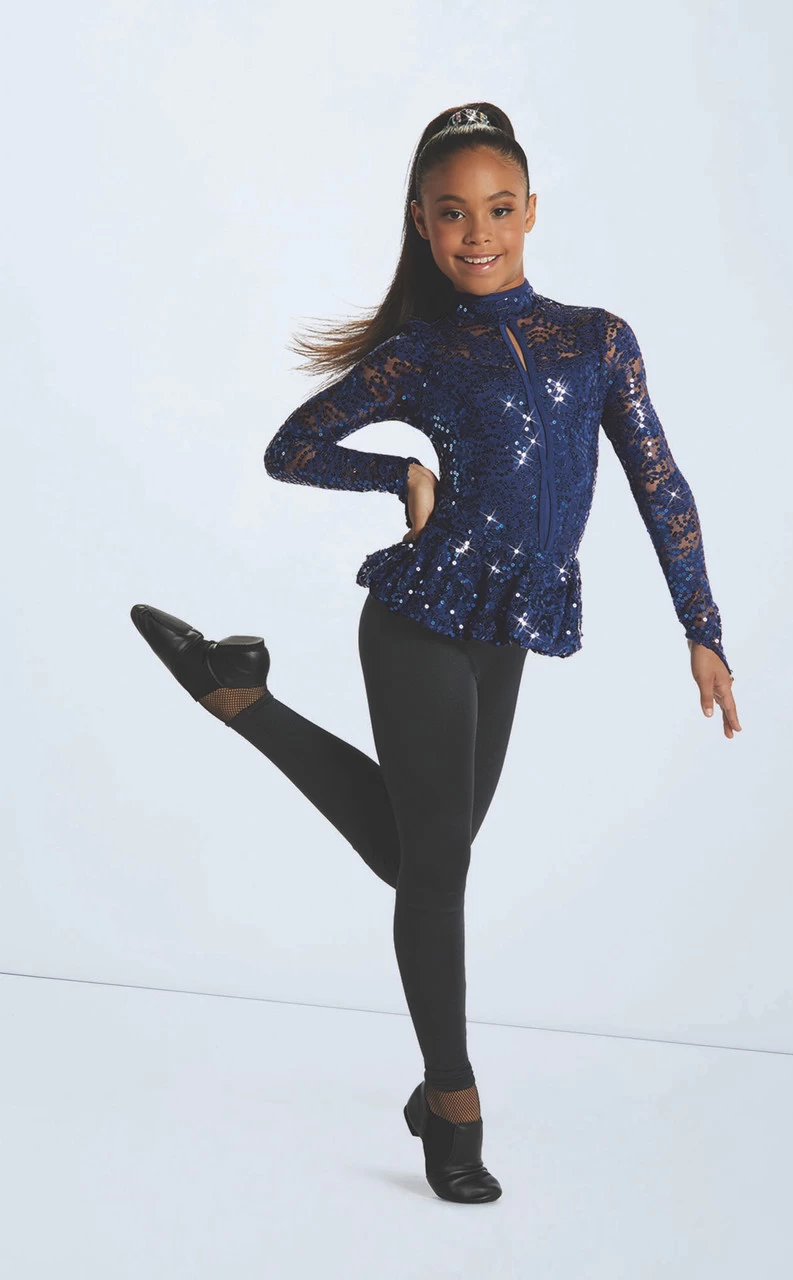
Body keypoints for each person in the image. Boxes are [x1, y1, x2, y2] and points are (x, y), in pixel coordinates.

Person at [130, 101, 742, 1206]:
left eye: (498, 209)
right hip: (418, 615)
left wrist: (701, 626)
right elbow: (291, 447)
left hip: (508, 624)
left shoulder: (598, 340)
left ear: (531, 211)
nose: (477, 232)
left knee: (421, 854)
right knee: (439, 870)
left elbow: (660, 479)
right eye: (453, 212)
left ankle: (237, 694)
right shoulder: (422, 353)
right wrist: (399, 476)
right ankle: (451, 1101)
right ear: (420, 221)